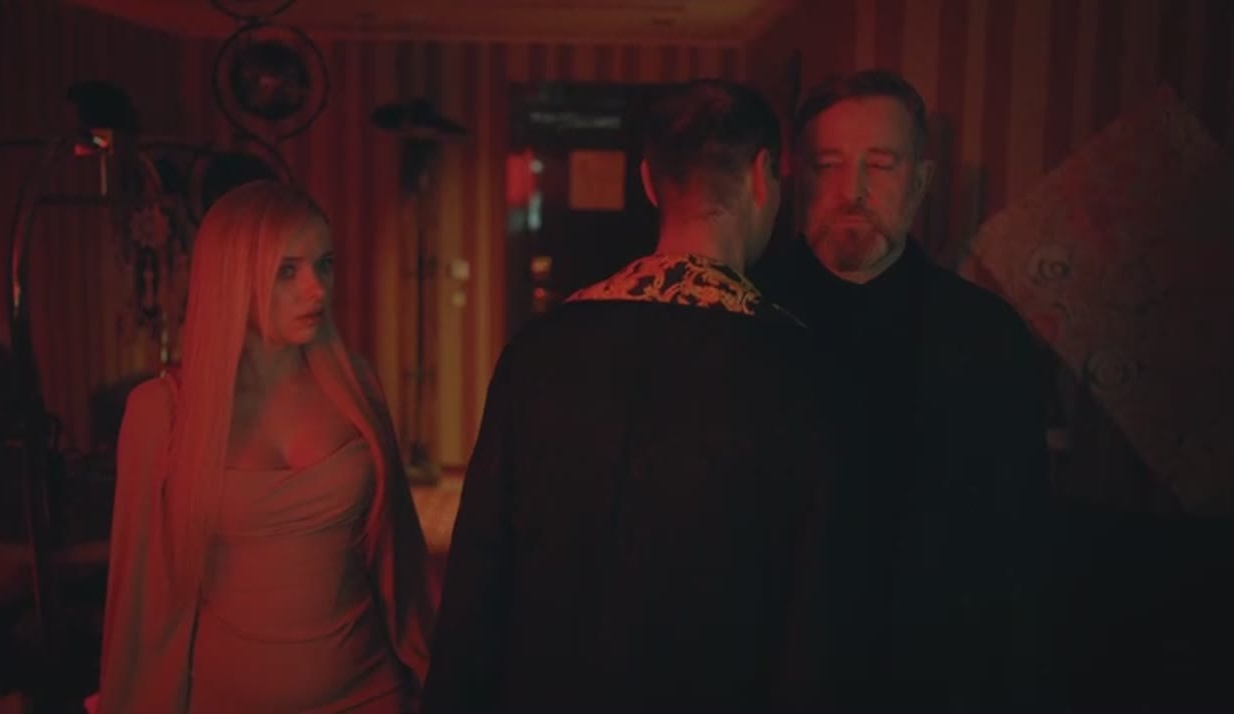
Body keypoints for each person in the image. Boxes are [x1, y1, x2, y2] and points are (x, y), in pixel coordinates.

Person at [422, 80, 841, 713]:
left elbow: (478, 577)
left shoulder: (539, 350)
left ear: (648, 181)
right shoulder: (801, 369)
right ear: (763, 177)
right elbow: (812, 616)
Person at [751, 69, 1053, 711]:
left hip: (935, 676)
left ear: (920, 181)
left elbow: (1019, 542)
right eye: (828, 165)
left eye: (881, 166)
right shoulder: (741, 319)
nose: (851, 191)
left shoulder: (986, 336)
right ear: (796, 177)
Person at [99, 181, 432, 713]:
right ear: (233, 277)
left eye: (324, 265)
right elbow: (140, 601)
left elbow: (400, 558)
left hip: (371, 691)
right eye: (287, 271)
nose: (317, 290)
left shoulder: (356, 384)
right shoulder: (161, 413)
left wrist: (432, 676)